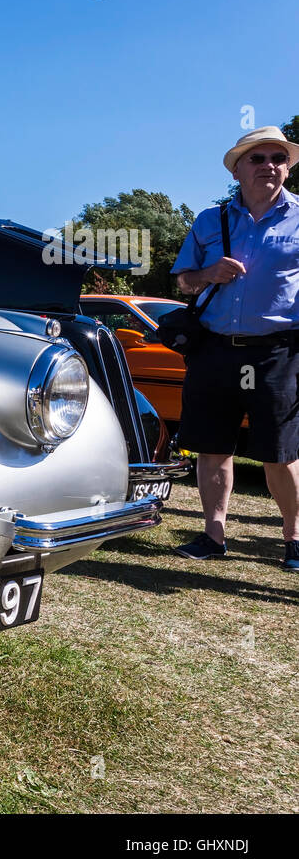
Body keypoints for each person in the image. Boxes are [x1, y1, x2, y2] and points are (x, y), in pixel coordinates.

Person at [170, 126, 299, 568]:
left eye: (277, 158)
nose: (269, 165)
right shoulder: (211, 220)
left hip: (277, 351)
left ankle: (294, 540)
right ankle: (213, 536)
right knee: (212, 446)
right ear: (238, 169)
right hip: (215, 349)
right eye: (258, 158)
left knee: (279, 454)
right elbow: (183, 281)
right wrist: (207, 274)